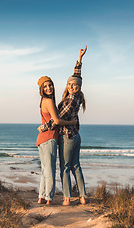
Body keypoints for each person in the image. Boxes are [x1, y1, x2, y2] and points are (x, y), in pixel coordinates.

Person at [40, 45, 88, 206]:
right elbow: (76, 76)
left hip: (67, 136)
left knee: (65, 167)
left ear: (78, 88)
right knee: (76, 166)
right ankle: (82, 196)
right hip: (76, 136)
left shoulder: (71, 99)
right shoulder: (76, 96)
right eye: (69, 84)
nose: (71, 86)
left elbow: (58, 119)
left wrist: (44, 127)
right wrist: (80, 60)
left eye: (74, 86)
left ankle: (67, 198)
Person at [36, 76, 76, 205]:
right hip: (49, 138)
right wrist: (71, 122)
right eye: (45, 86)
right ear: (42, 89)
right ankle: (49, 198)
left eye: (50, 85)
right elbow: (57, 121)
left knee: (44, 170)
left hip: (42, 139)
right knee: (50, 170)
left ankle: (41, 197)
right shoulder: (48, 101)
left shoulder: (43, 101)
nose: (49, 88)